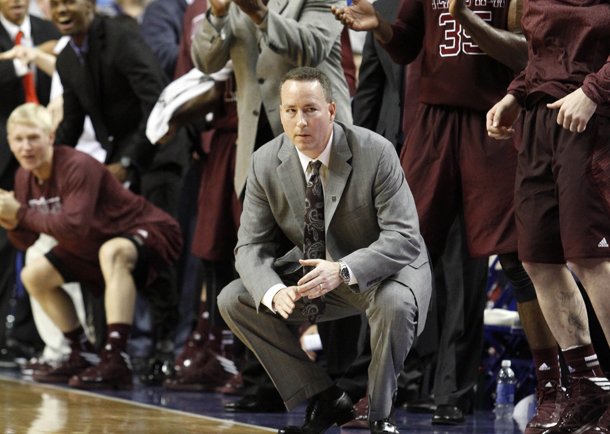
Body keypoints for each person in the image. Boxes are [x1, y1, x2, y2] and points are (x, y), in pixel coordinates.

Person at [333, 0, 565, 429]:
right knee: (402, 255)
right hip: (433, 124)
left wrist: (465, 18)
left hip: (495, 122)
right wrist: (379, 28)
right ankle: (377, 393)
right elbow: (405, 47)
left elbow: (526, 55)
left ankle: (553, 389)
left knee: (520, 259)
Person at [217, 66, 432, 434]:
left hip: (383, 272)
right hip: (317, 278)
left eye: (311, 109)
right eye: (290, 110)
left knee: (393, 304)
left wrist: (343, 269)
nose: (300, 121)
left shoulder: (375, 151)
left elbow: (404, 237)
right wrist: (273, 290)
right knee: (234, 298)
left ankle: (379, 416)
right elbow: (250, 246)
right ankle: (325, 397)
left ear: (331, 111)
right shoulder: (265, 162)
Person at [190, 0, 356, 413]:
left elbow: (313, 48)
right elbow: (207, 61)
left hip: (321, 147)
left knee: (335, 263)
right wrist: (215, 14)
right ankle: (268, 383)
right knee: (256, 266)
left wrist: (261, 13)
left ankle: (350, 382)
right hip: (259, 148)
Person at [486, 0, 610, 430]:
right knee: (537, 257)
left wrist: (595, 91)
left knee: (590, 257)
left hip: (593, 120)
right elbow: (540, 55)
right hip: (539, 123)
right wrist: (515, 95)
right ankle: (589, 384)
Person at [0, 103, 182, 389]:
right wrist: (10, 222)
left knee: (113, 252)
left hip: (147, 229)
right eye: (18, 140)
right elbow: (28, 240)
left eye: (33, 137)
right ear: (9, 142)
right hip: (94, 241)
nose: (26, 147)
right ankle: (80, 352)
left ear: (50, 136)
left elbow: (74, 226)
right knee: (33, 275)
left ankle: (115, 357)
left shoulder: (76, 165)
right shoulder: (24, 176)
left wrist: (20, 213)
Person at [0, 0, 60, 367]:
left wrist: (38, 54)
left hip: (46, 158)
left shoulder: (50, 33)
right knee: (4, 250)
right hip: (5, 157)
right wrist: (19, 61)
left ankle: (27, 336)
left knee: (39, 242)